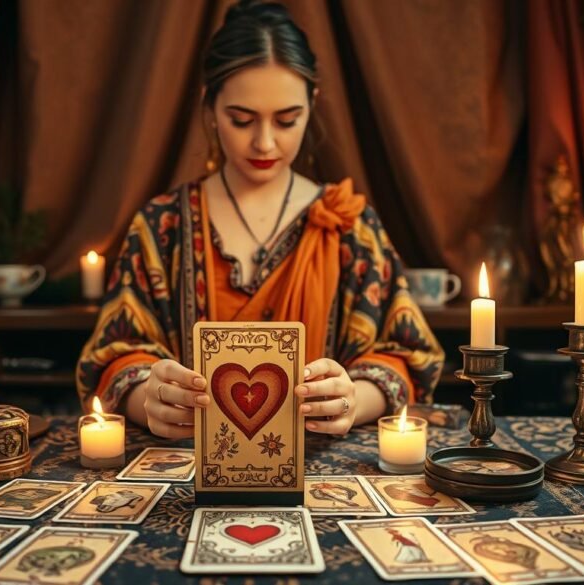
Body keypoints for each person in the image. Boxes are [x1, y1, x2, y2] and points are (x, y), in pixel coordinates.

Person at [76, 0, 443, 439]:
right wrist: (149, 399)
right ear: (209, 108)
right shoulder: (162, 228)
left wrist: (353, 399)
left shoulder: (350, 226)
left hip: (325, 468)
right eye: (241, 119)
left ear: (313, 104)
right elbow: (114, 354)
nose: (265, 142)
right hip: (185, 465)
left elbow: (406, 354)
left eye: (287, 120)